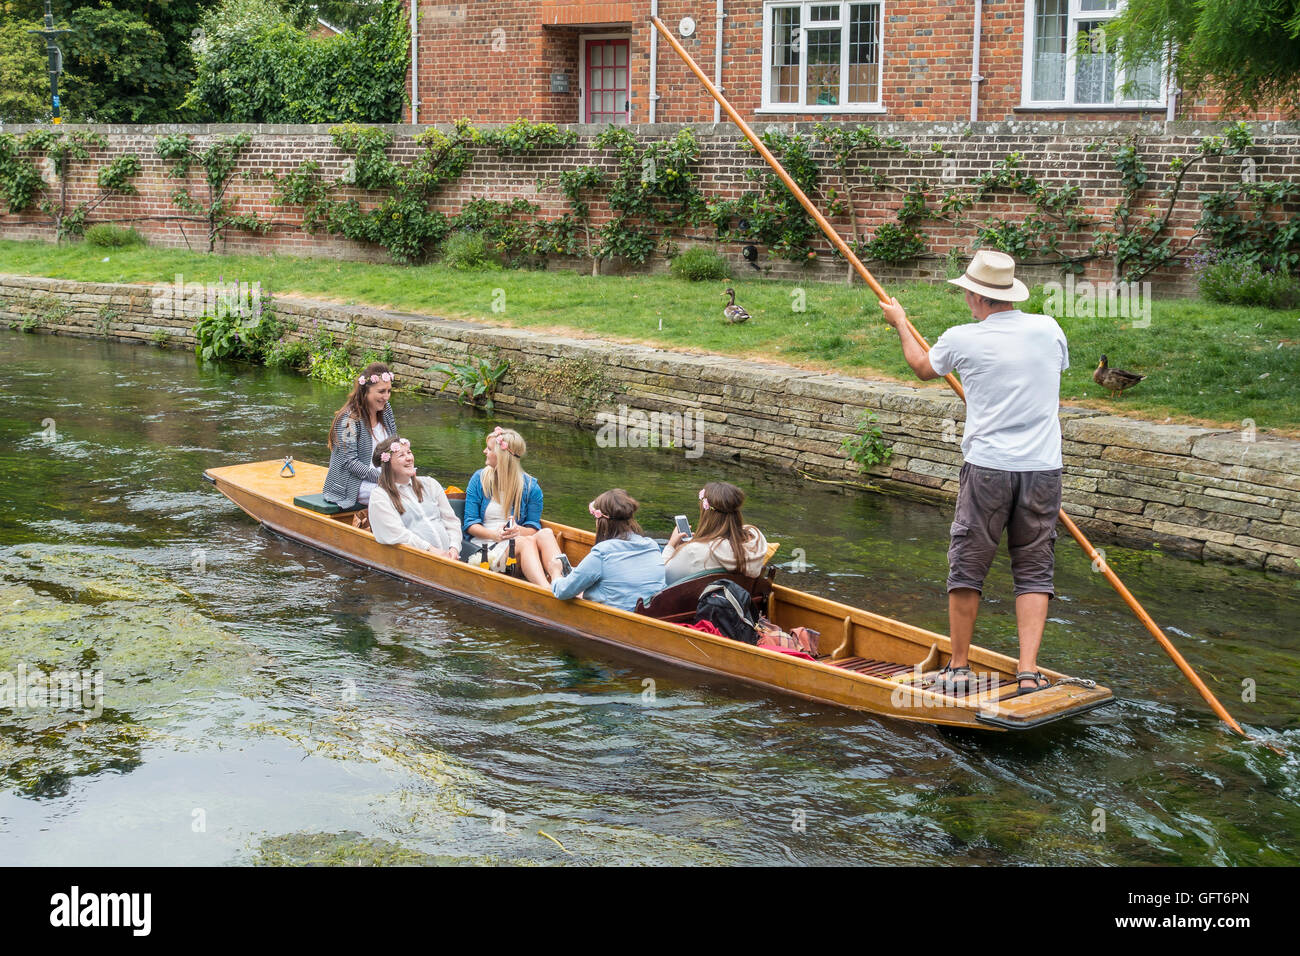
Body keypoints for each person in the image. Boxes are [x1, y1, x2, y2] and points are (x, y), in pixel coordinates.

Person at [878, 249, 1069, 696]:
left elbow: (923, 368)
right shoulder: (1049, 328)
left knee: (967, 564)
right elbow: (1042, 375)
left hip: (988, 469)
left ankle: (960, 667)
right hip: (1044, 469)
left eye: (967, 291)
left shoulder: (962, 338)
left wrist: (901, 324)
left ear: (975, 297)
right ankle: (1028, 670)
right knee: (1035, 571)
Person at [551, 489, 666, 611]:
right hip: (650, 614)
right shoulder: (652, 546)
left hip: (614, 618)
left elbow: (563, 591)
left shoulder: (602, 553)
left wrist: (555, 573)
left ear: (601, 521)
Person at [461, 427, 551, 584]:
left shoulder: (531, 488)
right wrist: (495, 535)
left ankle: (560, 581)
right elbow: (470, 524)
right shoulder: (479, 479)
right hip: (485, 545)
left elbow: (533, 527)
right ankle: (546, 590)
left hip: (514, 543)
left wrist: (518, 530)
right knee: (526, 542)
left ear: (501, 456)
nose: (484, 451)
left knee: (547, 533)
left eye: (489, 449)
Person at [366, 436, 461, 560]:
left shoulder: (430, 484)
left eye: (409, 452)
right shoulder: (380, 496)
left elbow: (451, 521)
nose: (409, 458)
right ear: (388, 463)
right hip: (416, 560)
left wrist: (454, 548)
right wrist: (430, 550)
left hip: (452, 558)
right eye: (401, 455)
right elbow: (396, 533)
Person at [662, 481, 769, 586]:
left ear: (706, 512)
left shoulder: (694, 551)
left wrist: (671, 545)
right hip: (740, 601)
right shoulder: (756, 538)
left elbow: (663, 576)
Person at [322, 362, 397, 510]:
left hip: (383, 476)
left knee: (423, 486)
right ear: (365, 392)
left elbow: (395, 444)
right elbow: (350, 463)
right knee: (395, 494)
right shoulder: (349, 420)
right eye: (381, 391)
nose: (386, 397)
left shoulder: (386, 410)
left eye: (389, 391)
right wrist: (382, 479)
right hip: (354, 483)